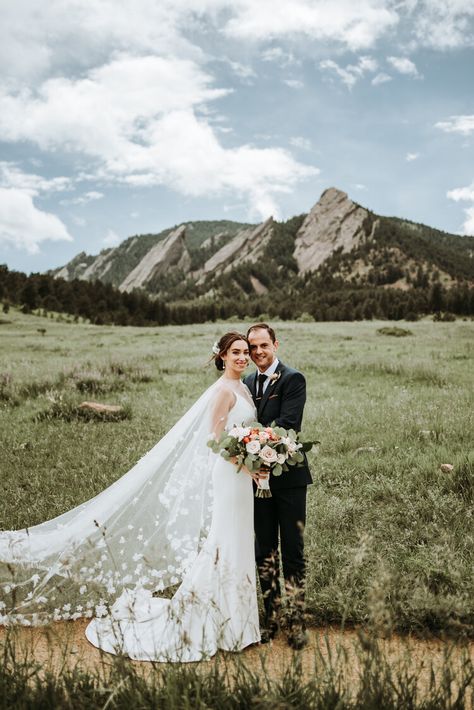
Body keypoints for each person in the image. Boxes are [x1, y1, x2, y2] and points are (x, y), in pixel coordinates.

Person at [0, 332, 260, 662]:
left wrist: (257, 456)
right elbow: (215, 438)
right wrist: (246, 465)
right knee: (222, 542)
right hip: (229, 476)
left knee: (237, 541)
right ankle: (215, 621)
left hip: (241, 479)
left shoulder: (244, 388)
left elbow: (243, 432)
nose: (242, 357)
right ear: (221, 356)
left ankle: (239, 626)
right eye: (235, 352)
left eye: (245, 352)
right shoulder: (223, 391)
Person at [244, 323, 312, 650]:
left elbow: (288, 426)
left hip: (289, 480)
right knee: (264, 551)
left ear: (275, 344)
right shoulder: (245, 382)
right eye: (252, 346)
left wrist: (255, 447)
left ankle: (296, 622)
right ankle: (271, 618)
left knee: (293, 552)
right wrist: (246, 457)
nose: (258, 352)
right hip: (255, 481)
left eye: (263, 346)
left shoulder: (292, 379)